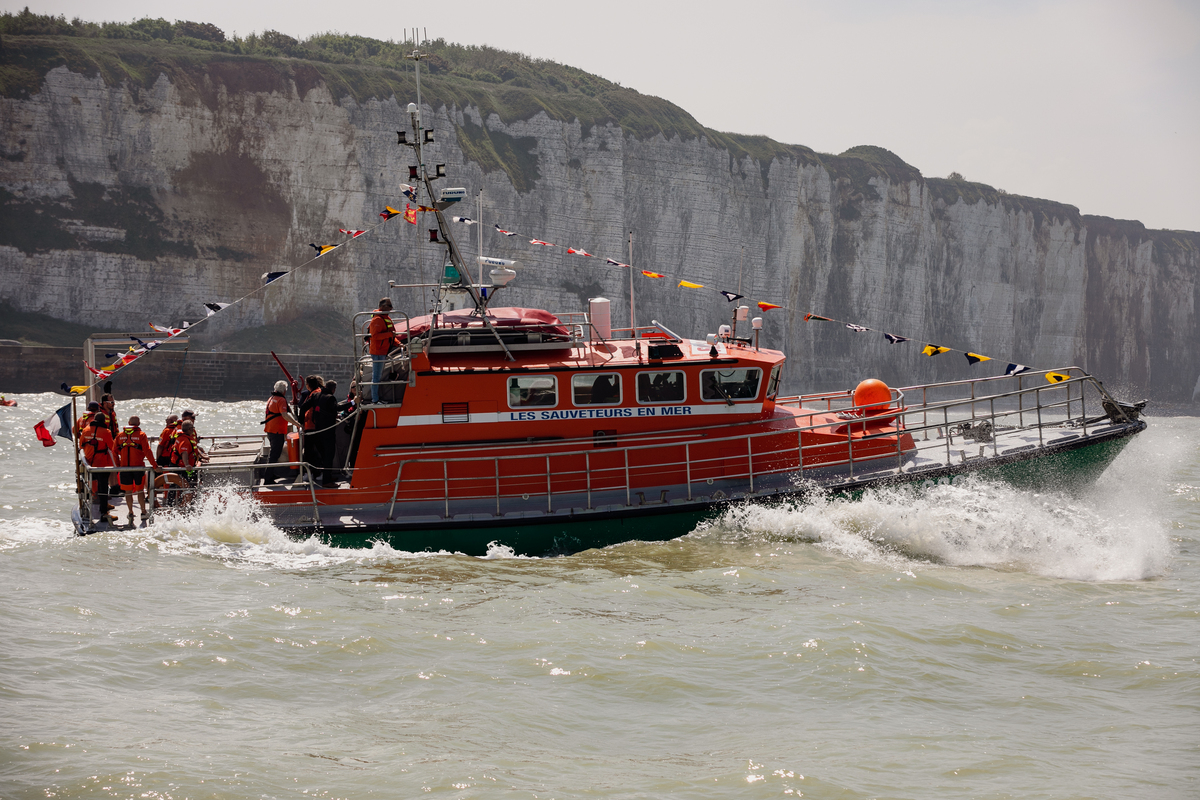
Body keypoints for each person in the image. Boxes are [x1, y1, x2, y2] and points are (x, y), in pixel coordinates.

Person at [115, 416, 156, 525]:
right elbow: (147, 451)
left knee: (128, 492)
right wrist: (155, 465)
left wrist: (118, 465)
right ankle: (143, 512)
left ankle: (130, 512)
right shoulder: (141, 435)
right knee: (140, 491)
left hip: (124, 468)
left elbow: (114, 451)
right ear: (139, 424)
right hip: (138, 468)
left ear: (128, 423)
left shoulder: (120, 435)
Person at [80, 412, 117, 523]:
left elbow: (80, 444)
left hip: (89, 462)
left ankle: (103, 504)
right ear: (104, 421)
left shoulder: (85, 430)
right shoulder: (106, 432)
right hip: (101, 464)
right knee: (103, 487)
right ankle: (104, 513)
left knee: (94, 484)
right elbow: (112, 447)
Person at [261, 380, 298, 485]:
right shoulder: (281, 400)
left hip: (270, 430)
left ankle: (270, 474)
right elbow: (285, 415)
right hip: (277, 431)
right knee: (274, 455)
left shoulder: (271, 398)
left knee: (273, 454)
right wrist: (297, 424)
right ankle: (268, 479)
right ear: (284, 391)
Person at [367, 298, 399, 403]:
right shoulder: (377, 320)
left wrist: (399, 344)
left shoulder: (385, 318)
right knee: (376, 376)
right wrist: (390, 335)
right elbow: (375, 336)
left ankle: (377, 398)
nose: (391, 308)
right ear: (383, 307)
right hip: (377, 352)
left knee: (378, 376)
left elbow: (391, 335)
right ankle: (375, 400)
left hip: (383, 351)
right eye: (389, 306)